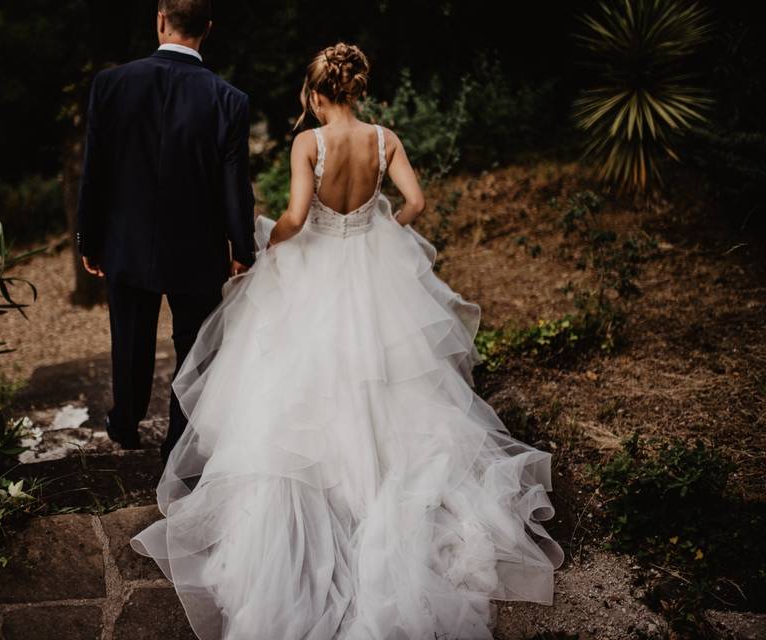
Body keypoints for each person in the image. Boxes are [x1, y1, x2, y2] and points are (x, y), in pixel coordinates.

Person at [131, 42, 563, 639]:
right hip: (371, 269)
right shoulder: (384, 139)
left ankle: (323, 495)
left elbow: (299, 217)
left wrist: (264, 245)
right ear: (355, 89)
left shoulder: (310, 142)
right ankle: (380, 486)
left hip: (318, 270)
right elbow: (415, 202)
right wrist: (380, 229)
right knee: (388, 378)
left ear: (314, 94)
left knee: (302, 378)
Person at [77, 0, 254, 461]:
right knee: (194, 345)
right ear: (208, 29)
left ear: (160, 21)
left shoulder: (110, 85)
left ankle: (126, 423)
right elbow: (234, 183)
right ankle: (178, 439)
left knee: (130, 336)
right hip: (197, 248)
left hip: (125, 241)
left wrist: (89, 239)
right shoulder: (228, 99)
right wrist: (242, 248)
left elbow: (93, 171)